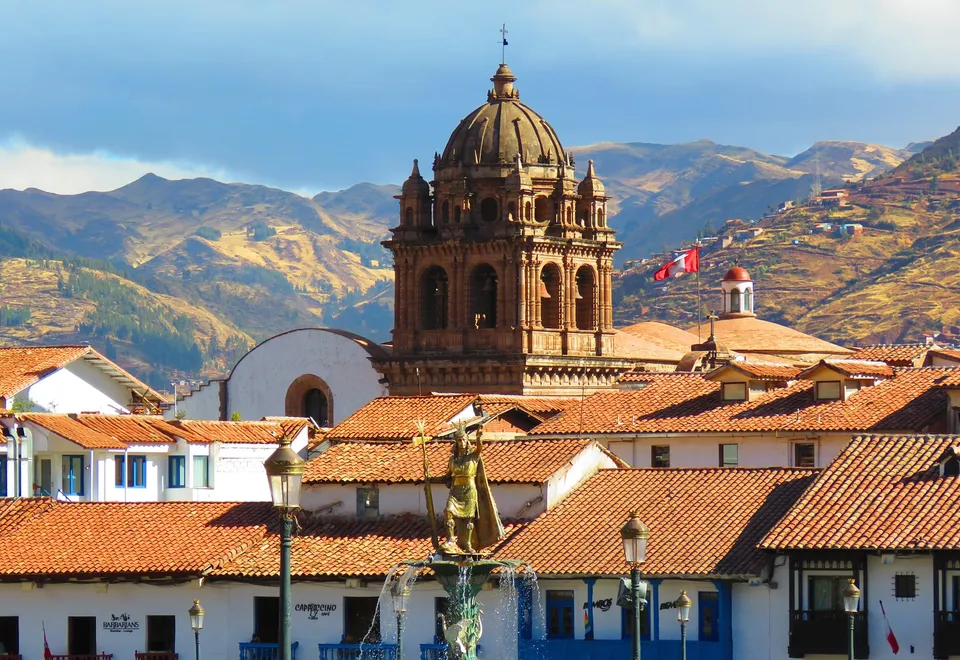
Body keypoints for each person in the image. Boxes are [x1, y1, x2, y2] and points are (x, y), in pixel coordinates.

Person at [440, 423, 504, 554]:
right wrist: (429, 478)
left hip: (469, 490)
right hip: (456, 490)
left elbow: (479, 449)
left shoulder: (473, 456)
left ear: (467, 441)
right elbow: (447, 476)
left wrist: (479, 439)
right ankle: (451, 539)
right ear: (456, 443)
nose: (462, 442)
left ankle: (469, 544)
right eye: (459, 440)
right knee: (448, 511)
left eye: (463, 439)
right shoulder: (452, 460)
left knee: (469, 518)